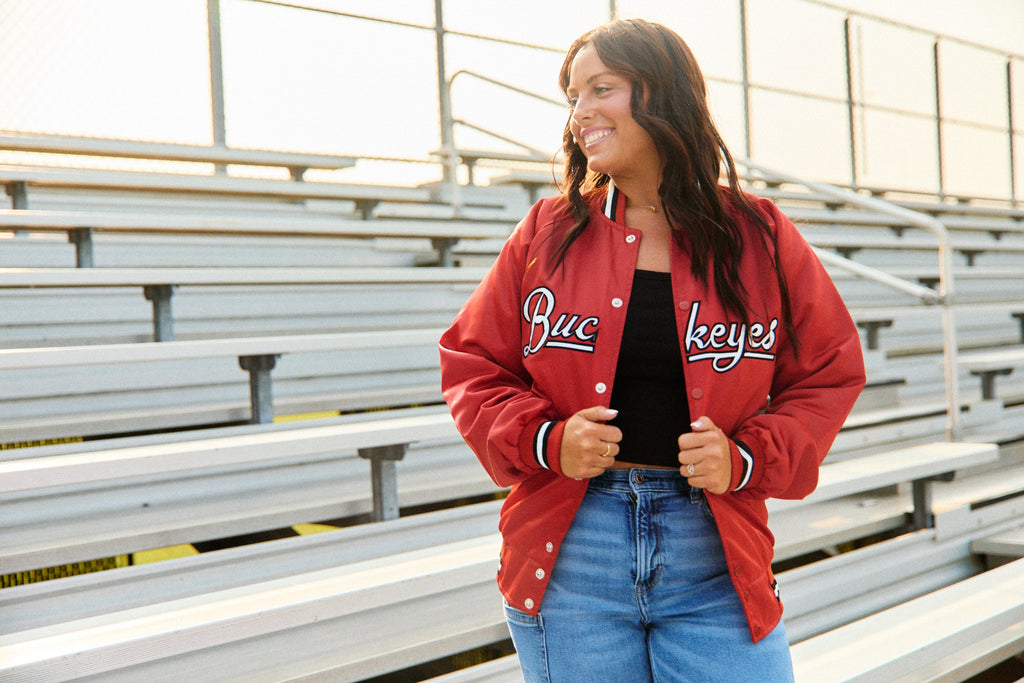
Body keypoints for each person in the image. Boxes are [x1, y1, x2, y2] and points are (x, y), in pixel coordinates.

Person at [439, 18, 866, 682]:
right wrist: (549, 439)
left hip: (714, 555)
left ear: (660, 93)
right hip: (573, 553)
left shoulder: (760, 234)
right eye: (572, 96)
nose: (580, 113)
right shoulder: (546, 232)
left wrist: (747, 455)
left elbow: (831, 368)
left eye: (600, 89)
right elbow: (472, 363)